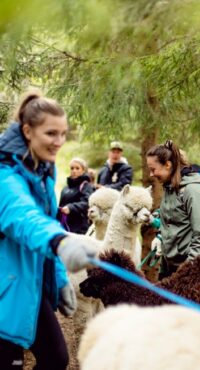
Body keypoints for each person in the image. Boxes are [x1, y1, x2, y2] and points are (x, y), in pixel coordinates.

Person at [0, 90, 96, 370]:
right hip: (5, 285)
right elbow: (25, 218)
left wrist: (59, 278)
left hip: (28, 281)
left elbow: (49, 220)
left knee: (56, 358)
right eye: (51, 133)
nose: (59, 142)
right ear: (28, 131)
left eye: (63, 134)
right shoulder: (5, 173)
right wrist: (61, 243)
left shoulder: (43, 169)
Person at [146, 140, 200, 279]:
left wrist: (187, 273)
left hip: (192, 271)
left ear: (168, 164)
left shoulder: (193, 190)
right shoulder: (169, 188)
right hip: (170, 267)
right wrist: (160, 237)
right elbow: (171, 220)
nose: (151, 174)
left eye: (153, 169)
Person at [57, 157, 94, 234]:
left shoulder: (86, 186)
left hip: (79, 228)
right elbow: (61, 205)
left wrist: (71, 208)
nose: (74, 171)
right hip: (64, 226)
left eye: (77, 168)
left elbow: (87, 203)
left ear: (83, 170)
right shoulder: (65, 188)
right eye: (72, 168)